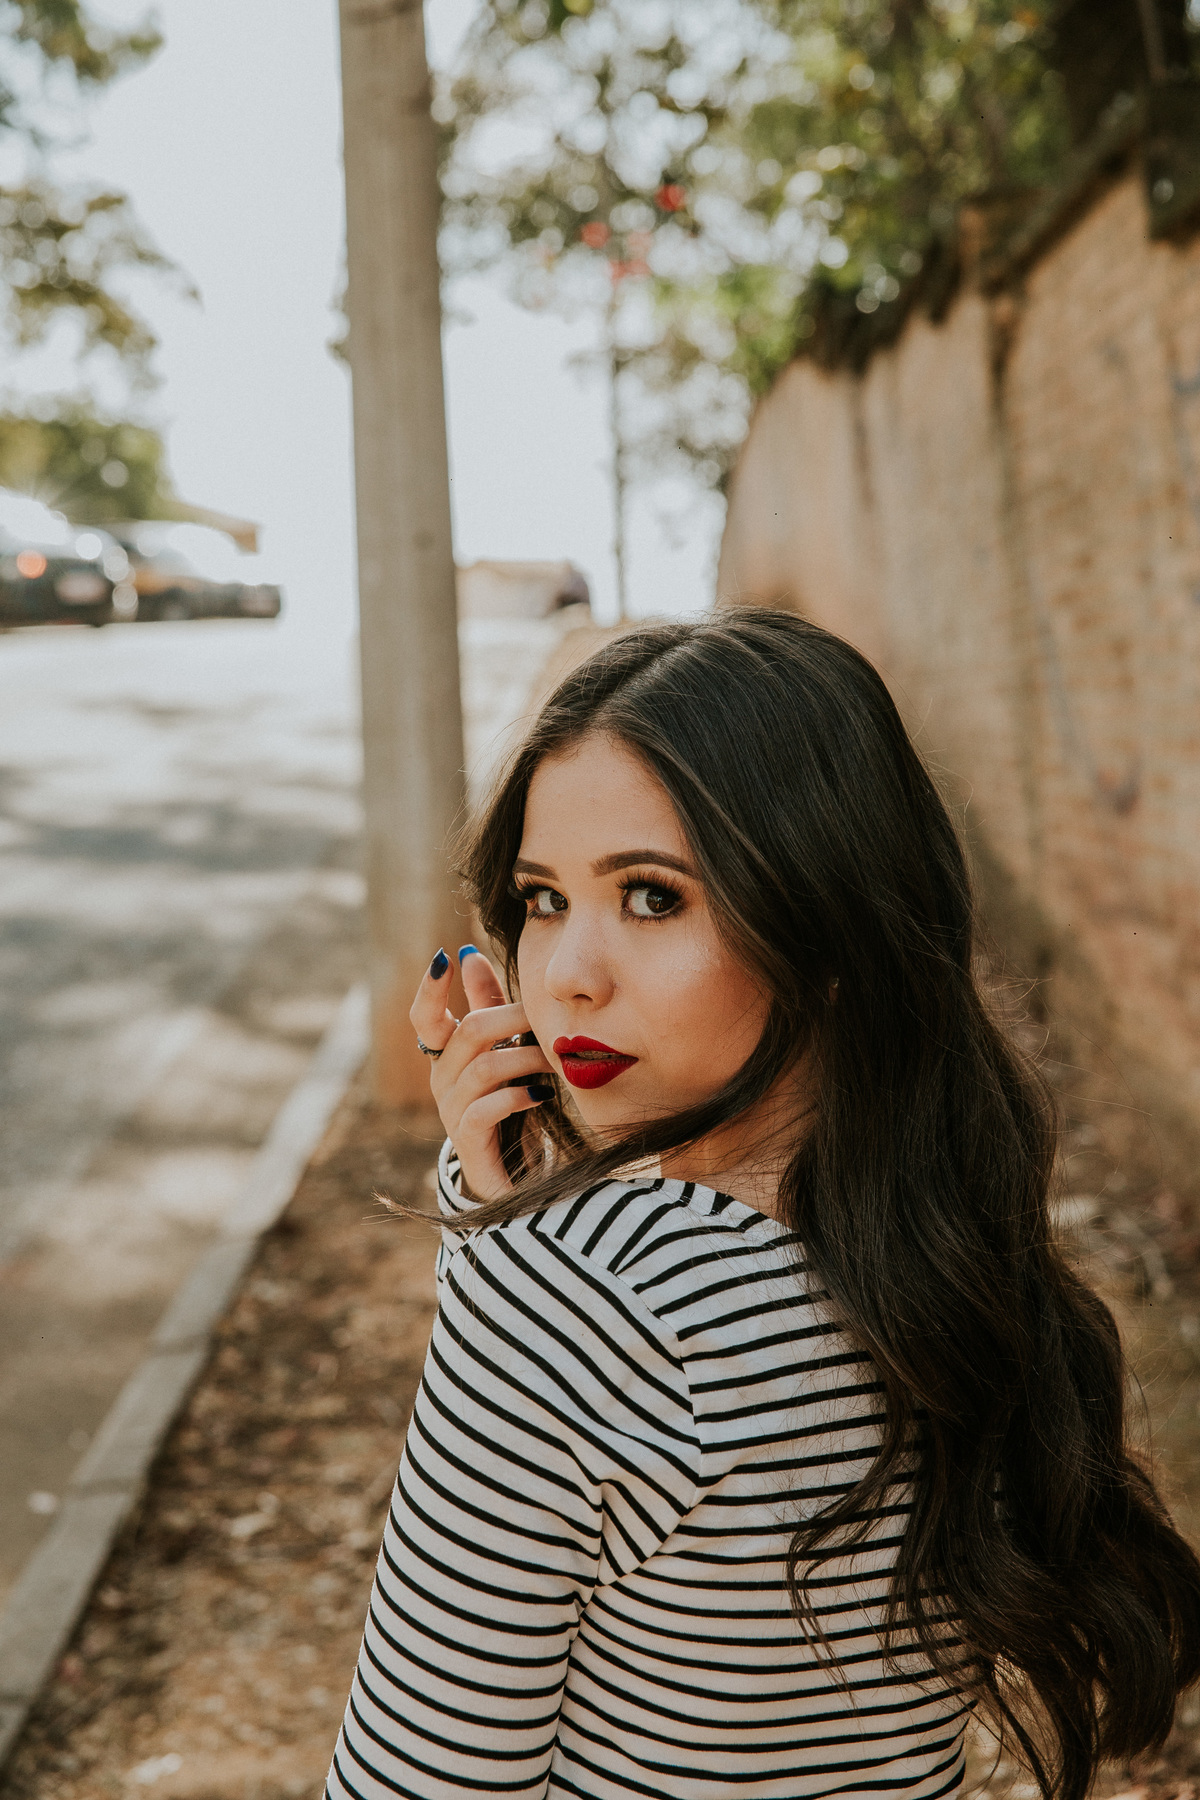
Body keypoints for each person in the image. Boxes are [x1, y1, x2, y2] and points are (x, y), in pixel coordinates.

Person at [327, 610, 1200, 1800]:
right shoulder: (934, 1240)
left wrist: (519, 1244)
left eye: (651, 898)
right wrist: (511, 1209)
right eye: (542, 900)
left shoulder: (575, 1301)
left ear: (824, 926)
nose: (568, 975)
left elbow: (417, 1779)